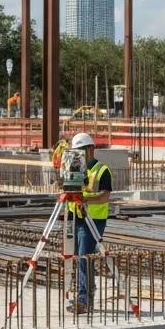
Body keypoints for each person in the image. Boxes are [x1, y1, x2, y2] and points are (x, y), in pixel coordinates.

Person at [66, 132, 112, 313]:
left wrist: (85, 199)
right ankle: (86, 293)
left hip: (93, 220)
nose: (77, 155)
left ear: (90, 149)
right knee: (79, 257)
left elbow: (105, 196)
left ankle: (84, 300)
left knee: (85, 257)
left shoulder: (102, 170)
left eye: (80, 151)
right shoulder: (76, 167)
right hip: (75, 217)